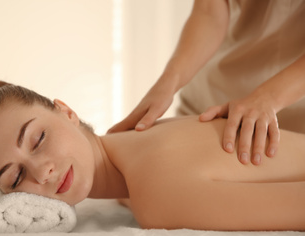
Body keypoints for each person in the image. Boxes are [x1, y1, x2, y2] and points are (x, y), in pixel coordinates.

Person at [0, 81, 305, 231]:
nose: (42, 171)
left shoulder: (154, 195)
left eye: (37, 139)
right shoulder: (136, 146)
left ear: (66, 112)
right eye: (15, 178)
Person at [108, 0, 305, 166]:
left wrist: (268, 98)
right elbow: (209, 12)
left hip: (295, 111)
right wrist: (167, 83)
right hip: (212, 100)